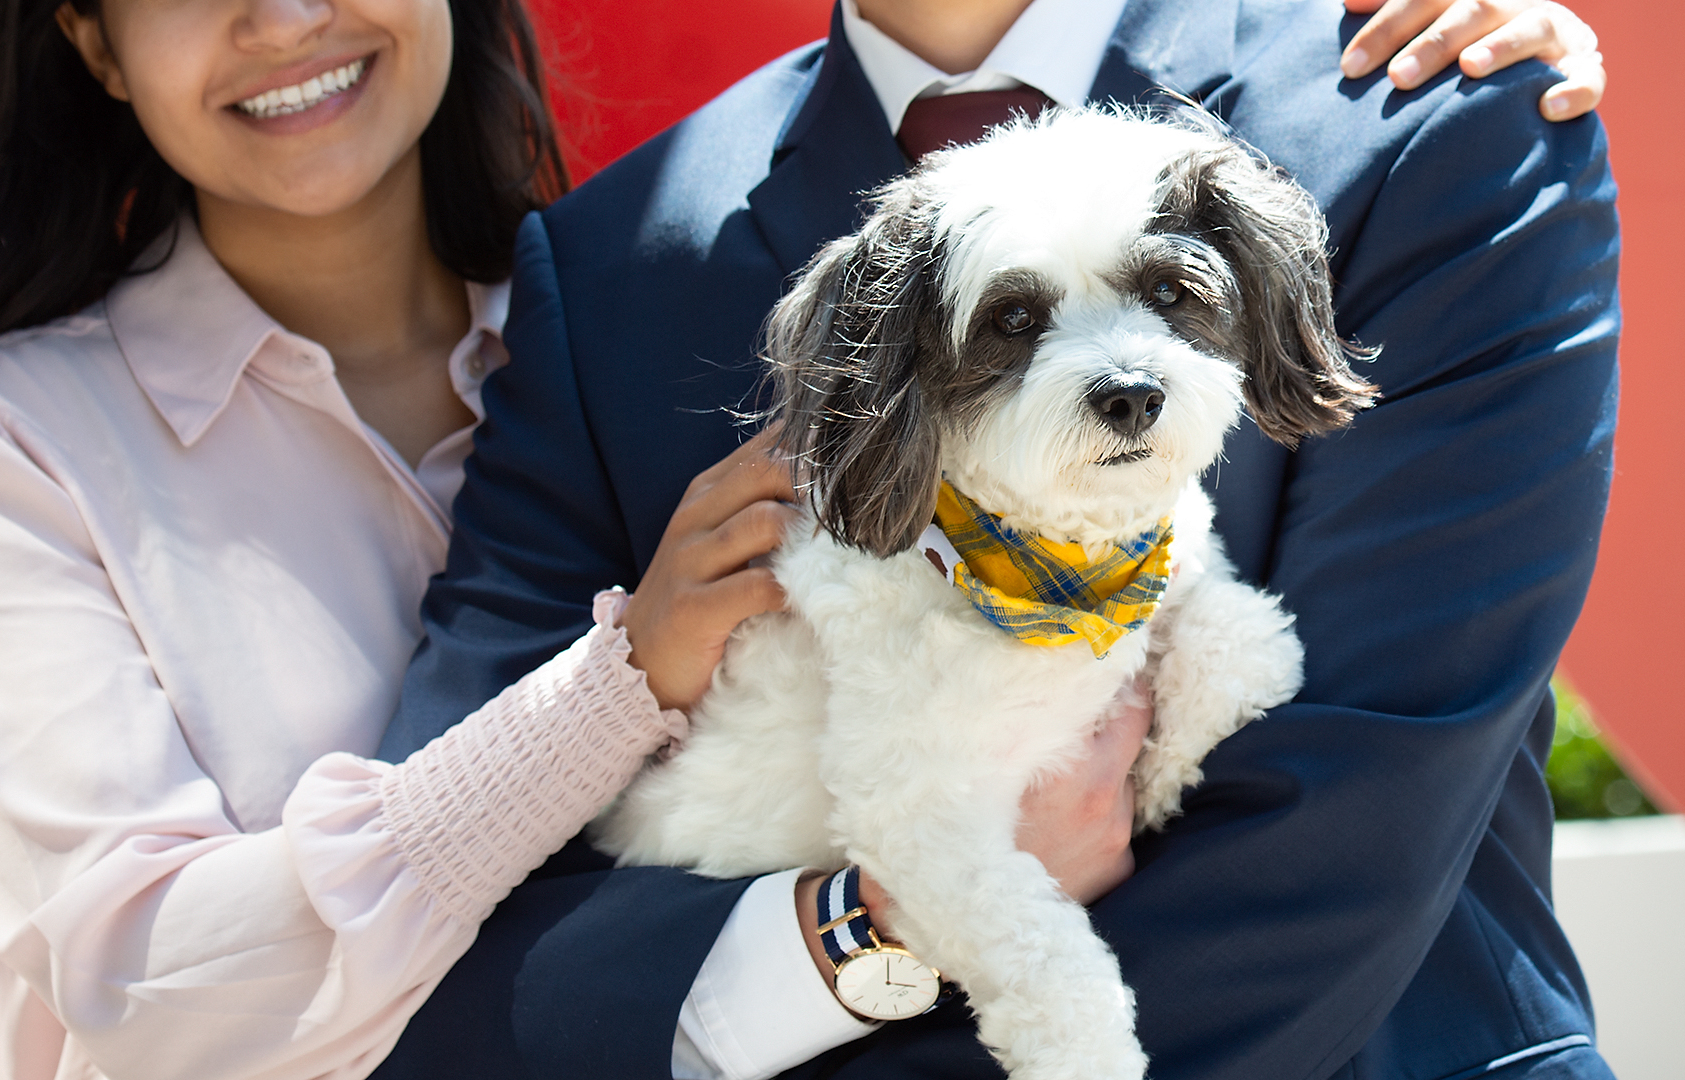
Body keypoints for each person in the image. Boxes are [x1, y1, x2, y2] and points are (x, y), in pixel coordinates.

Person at [371, 0, 1621, 1079]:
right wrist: (857, 937)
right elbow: (434, 926)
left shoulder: (1438, 117)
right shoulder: (607, 265)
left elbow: (1357, 819)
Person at [0, 0, 811, 1077]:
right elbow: (149, 989)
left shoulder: (653, 333)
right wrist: (616, 692)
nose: (285, 20)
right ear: (96, 40)